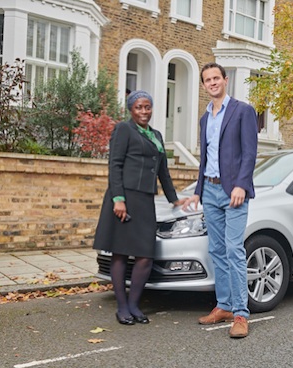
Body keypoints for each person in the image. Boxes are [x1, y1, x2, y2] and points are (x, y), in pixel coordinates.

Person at [93, 90, 187, 326]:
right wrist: (118, 199)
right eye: (139, 107)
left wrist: (174, 199)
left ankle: (134, 304)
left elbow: (163, 171)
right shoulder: (124, 130)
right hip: (125, 198)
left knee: (146, 256)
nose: (144, 111)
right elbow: (114, 165)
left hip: (145, 201)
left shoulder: (155, 135)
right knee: (121, 253)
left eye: (147, 107)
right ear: (130, 110)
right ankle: (122, 307)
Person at [183, 62, 258, 338]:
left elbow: (250, 153)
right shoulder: (205, 118)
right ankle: (224, 305)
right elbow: (205, 158)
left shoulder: (242, 111)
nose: (213, 83)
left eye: (217, 78)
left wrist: (241, 184)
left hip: (233, 192)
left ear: (225, 80)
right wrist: (197, 190)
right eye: (207, 80)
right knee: (216, 249)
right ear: (204, 85)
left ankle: (241, 313)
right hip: (210, 192)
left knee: (234, 249)